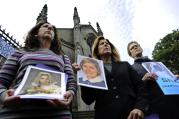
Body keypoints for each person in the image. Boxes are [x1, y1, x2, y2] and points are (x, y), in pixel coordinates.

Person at [0, 21, 77, 119]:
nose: (49, 28)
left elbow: (71, 82)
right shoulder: (20, 52)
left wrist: (70, 93)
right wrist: (3, 96)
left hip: (57, 113)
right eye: (45, 26)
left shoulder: (63, 57)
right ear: (36, 33)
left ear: (54, 38)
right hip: (17, 111)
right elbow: (2, 81)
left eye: (52, 29)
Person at [73, 36, 148, 119]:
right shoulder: (93, 69)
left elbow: (140, 86)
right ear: (96, 51)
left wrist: (139, 107)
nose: (105, 44)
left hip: (131, 114)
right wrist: (83, 76)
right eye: (102, 44)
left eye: (107, 43)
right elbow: (88, 100)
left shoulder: (125, 65)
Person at [127, 41, 179, 119]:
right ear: (130, 54)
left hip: (173, 103)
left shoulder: (157, 63)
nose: (135, 47)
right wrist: (143, 80)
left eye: (136, 46)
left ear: (141, 48)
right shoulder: (131, 69)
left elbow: (168, 78)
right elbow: (131, 90)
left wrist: (173, 77)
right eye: (132, 48)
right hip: (154, 109)